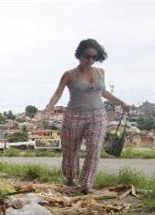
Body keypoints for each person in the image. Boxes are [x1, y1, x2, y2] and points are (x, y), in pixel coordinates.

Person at [44, 38, 129, 194]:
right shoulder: (69, 75)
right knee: (70, 151)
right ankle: (70, 179)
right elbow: (58, 93)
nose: (90, 60)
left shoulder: (100, 72)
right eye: (87, 56)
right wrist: (49, 108)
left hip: (97, 115)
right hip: (74, 116)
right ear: (79, 55)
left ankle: (86, 184)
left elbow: (103, 93)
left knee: (94, 148)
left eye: (94, 57)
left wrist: (121, 102)